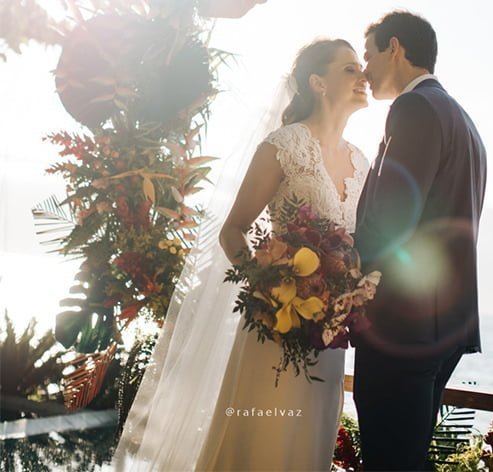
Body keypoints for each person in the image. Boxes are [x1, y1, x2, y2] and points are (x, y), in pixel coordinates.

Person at [114, 38, 372, 471]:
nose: (363, 75)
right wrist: (272, 288)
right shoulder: (284, 145)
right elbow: (232, 231)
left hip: (328, 338)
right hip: (274, 327)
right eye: (350, 68)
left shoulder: (362, 161)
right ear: (318, 83)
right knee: (261, 440)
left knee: (308, 443)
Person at [352, 11, 487, 471]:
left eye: (368, 54)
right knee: (404, 458)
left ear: (394, 48)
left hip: (402, 322)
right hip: (444, 323)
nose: (364, 69)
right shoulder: (463, 120)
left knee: (389, 460)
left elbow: (391, 218)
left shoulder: (413, 110)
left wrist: (336, 280)